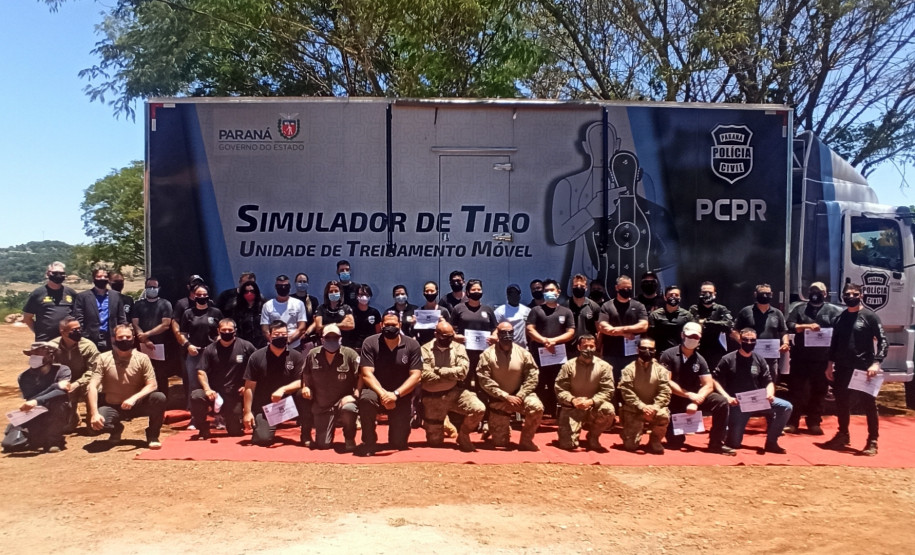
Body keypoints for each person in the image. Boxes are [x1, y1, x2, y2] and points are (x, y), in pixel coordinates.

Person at [824, 283, 888, 456]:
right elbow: (834, 343)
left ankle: (872, 440)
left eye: (854, 293)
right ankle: (843, 434)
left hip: (864, 369)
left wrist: (876, 363)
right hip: (843, 367)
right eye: (847, 294)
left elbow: (883, 341)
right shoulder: (840, 318)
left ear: (861, 295)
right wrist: (830, 364)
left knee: (868, 405)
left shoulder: (869, 316)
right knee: (842, 403)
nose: (850, 296)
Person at [659, 322, 734, 455]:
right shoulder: (668, 355)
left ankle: (716, 443)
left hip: (695, 397)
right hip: (674, 399)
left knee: (721, 402)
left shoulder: (700, 359)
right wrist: (688, 395)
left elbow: (708, 384)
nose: (693, 339)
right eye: (690, 336)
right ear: (682, 335)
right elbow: (667, 381)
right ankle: (673, 436)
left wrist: (695, 401)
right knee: (674, 444)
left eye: (696, 337)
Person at [88, 325, 167, 449]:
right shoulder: (103, 358)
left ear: (133, 338)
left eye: (128, 337)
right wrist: (94, 414)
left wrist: (133, 398)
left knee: (159, 397)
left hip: (137, 404)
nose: (124, 339)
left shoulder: (142, 358)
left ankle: (152, 435)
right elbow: (92, 386)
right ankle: (116, 429)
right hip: (113, 406)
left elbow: (152, 385)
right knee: (98, 425)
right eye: (120, 337)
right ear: (114, 339)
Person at [715, 328, 793, 454]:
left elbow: (768, 381)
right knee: (734, 444)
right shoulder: (728, 359)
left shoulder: (759, 359)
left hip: (758, 400)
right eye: (746, 340)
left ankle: (772, 442)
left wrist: (770, 394)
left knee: (786, 406)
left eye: (752, 340)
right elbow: (715, 380)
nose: (749, 343)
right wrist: (727, 397)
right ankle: (729, 433)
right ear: (740, 340)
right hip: (738, 404)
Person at [356, 312, 423, 455]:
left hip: (401, 394)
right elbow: (366, 374)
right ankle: (369, 441)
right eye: (387, 325)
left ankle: (397, 435)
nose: (390, 328)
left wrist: (396, 395)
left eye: (394, 325)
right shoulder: (370, 342)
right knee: (366, 398)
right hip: (376, 391)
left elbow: (416, 376)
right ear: (381, 326)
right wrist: (384, 394)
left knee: (398, 443)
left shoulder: (412, 345)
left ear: (400, 325)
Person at [784, 282, 842, 435]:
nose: (815, 293)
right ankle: (792, 422)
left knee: (819, 392)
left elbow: (840, 330)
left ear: (826, 293)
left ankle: (814, 422)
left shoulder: (833, 311)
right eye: (812, 290)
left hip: (822, 359)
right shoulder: (800, 309)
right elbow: (789, 324)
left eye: (819, 291)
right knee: (797, 391)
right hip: (800, 358)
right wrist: (806, 327)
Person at [476, 322, 543, 451]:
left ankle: (526, 440)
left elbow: (532, 377)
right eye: (503, 333)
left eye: (510, 332)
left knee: (537, 407)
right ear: (497, 334)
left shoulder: (524, 353)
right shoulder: (487, 354)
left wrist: (520, 395)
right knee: (500, 444)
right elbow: (484, 380)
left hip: (520, 396)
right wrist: (505, 396)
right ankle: (491, 427)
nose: (507, 336)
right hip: (499, 399)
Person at [420, 321, 485, 452]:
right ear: (436, 334)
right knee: (435, 442)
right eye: (444, 337)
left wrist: (438, 370)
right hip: (433, 398)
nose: (448, 340)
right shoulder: (425, 349)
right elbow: (424, 375)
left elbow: (462, 373)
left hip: (454, 392)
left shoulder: (458, 348)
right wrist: (450, 373)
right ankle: (441, 422)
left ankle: (463, 435)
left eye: (451, 336)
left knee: (479, 409)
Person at [243, 321, 309, 446]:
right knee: (262, 440)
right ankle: (267, 425)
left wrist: (283, 389)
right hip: (267, 406)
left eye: (284, 334)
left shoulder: (296, 356)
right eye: (277, 334)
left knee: (304, 394)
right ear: (269, 336)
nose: (280, 337)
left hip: (289, 404)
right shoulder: (256, 357)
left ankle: (305, 434)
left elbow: (302, 381)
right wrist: (247, 412)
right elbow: (249, 387)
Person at [190, 318, 256, 438]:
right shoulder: (210, 349)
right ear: (218, 331)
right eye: (223, 330)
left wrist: (246, 386)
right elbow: (201, 371)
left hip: (236, 393)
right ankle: (203, 427)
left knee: (235, 432)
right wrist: (207, 389)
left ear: (235, 331)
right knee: (196, 396)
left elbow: (257, 367)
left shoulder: (246, 346)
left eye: (229, 330)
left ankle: (232, 419)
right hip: (215, 392)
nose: (227, 332)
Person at [2, 342, 70, 453]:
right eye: (32, 354)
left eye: (38, 353)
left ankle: (54, 441)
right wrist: (55, 386)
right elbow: (31, 399)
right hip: (35, 412)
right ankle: (40, 438)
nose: (34, 357)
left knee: (59, 401)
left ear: (50, 355)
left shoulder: (62, 370)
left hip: (56, 410)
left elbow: (62, 391)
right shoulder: (24, 377)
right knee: (10, 444)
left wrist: (37, 400)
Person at [302, 324, 361, 451]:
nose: (332, 340)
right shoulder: (313, 354)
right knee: (323, 445)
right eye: (328, 337)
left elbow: (362, 377)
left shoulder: (350, 354)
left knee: (349, 409)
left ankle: (349, 438)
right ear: (322, 339)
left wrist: (355, 395)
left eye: (335, 337)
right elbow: (306, 375)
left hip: (343, 403)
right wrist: (306, 387)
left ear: (340, 338)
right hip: (323, 406)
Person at [554, 335, 615, 451]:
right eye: (585, 346)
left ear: (595, 347)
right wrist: (573, 400)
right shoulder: (568, 366)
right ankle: (571, 433)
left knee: (608, 410)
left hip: (593, 407)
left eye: (591, 346)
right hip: (572, 407)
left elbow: (608, 390)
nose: (588, 349)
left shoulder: (605, 367)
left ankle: (593, 436)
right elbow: (560, 389)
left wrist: (592, 401)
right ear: (578, 347)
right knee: (568, 445)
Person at [526, 279, 576, 417]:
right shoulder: (536, 310)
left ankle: (556, 414)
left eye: (552, 290)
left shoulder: (566, 312)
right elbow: (530, 329)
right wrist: (544, 341)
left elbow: (571, 332)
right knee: (539, 383)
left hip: (558, 355)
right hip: (539, 354)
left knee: (558, 383)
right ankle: (538, 413)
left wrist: (554, 341)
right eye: (546, 291)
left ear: (558, 292)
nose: (549, 293)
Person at [617, 337, 671, 454]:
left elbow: (665, 392)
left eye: (650, 349)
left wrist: (655, 407)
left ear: (655, 351)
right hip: (634, 410)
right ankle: (628, 434)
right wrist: (641, 406)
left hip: (654, 409)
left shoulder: (661, 371)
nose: (647, 351)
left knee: (663, 415)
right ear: (637, 350)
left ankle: (655, 441)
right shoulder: (628, 370)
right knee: (631, 446)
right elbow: (626, 392)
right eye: (643, 348)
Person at [49, 316, 99, 431]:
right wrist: (61, 384)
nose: (78, 332)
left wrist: (77, 383)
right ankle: (71, 416)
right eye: (74, 330)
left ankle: (92, 419)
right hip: (64, 382)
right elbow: (48, 370)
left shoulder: (88, 345)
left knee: (93, 388)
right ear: (63, 331)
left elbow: (94, 370)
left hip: (84, 380)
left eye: (79, 328)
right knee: (66, 426)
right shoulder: (52, 347)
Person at [179, 285, 223, 409]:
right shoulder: (188, 313)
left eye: (204, 295)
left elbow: (222, 331)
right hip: (194, 354)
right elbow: (182, 334)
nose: (202, 297)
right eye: (199, 295)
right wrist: (188, 345)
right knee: (193, 384)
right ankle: (194, 414)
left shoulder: (216, 312)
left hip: (212, 354)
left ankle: (217, 414)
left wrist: (216, 344)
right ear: (194, 296)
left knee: (215, 383)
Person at [598, 275, 649, 382]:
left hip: (633, 355)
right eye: (624, 288)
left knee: (632, 385)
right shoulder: (607, 306)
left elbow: (644, 326)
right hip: (611, 354)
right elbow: (603, 327)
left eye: (629, 288)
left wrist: (621, 330)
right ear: (617, 288)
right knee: (611, 385)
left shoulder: (639, 306)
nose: (627, 290)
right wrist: (623, 334)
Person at [733, 283, 789, 378]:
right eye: (762, 293)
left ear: (771, 294)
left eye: (767, 293)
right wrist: (742, 342)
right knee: (750, 380)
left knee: (770, 380)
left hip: (771, 357)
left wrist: (786, 343)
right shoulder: (746, 311)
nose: (764, 296)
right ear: (755, 294)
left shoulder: (777, 313)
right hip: (749, 355)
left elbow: (783, 331)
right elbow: (734, 331)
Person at [131, 277, 173, 397]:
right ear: (145, 288)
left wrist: (147, 334)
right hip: (142, 344)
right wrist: (144, 339)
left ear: (159, 288)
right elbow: (135, 324)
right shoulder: (138, 305)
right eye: (150, 287)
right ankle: (143, 399)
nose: (152, 289)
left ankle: (163, 398)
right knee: (143, 373)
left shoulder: (165, 304)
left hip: (160, 346)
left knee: (161, 374)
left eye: (155, 287)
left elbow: (165, 325)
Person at [451, 279, 498, 383]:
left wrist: (494, 336)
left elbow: (495, 328)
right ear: (467, 292)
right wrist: (455, 336)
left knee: (482, 380)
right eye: (473, 290)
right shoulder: (458, 308)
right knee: (464, 380)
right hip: (464, 352)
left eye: (479, 289)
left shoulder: (488, 309)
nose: (476, 292)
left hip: (483, 352)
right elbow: (451, 329)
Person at [73, 268, 127, 352]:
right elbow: (78, 318)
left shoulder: (116, 296)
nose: (102, 279)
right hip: (90, 338)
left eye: (105, 276)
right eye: (99, 276)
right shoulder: (82, 297)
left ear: (108, 279)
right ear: (93, 278)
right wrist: (83, 335)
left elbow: (121, 318)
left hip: (111, 338)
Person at [22, 261, 77, 342]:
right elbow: (27, 318)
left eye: (62, 273)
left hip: (67, 341)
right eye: (55, 273)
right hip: (44, 341)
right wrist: (38, 332)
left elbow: (77, 315)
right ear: (48, 274)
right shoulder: (38, 293)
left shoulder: (71, 293)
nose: (59, 275)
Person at [687, 281, 734, 372]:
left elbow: (729, 324)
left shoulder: (721, 309)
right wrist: (717, 324)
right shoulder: (694, 309)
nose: (707, 295)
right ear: (699, 293)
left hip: (716, 349)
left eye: (710, 293)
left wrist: (706, 322)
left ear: (715, 294)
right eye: (704, 293)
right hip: (698, 349)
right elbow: (691, 324)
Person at [260, 275, 308, 350]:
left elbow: (301, 327)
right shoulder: (267, 305)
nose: (283, 288)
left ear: (289, 287)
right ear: (276, 287)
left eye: (285, 286)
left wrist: (288, 340)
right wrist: (274, 342)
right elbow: (265, 329)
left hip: (294, 346)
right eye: (280, 286)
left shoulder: (299, 304)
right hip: (274, 346)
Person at [564, 273, 602, 358]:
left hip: (589, 348)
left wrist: (598, 347)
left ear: (586, 288)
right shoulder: (565, 306)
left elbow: (599, 331)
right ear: (572, 287)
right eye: (576, 285)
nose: (578, 287)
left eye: (582, 286)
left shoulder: (594, 306)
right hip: (570, 350)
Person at [647, 285, 694, 353]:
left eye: (676, 295)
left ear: (680, 298)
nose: (673, 297)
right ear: (665, 298)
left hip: (680, 354)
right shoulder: (655, 315)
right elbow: (650, 337)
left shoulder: (687, 315)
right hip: (660, 354)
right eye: (671, 295)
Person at [231, 280, 267, 349]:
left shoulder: (263, 306)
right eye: (246, 291)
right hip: (245, 345)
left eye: (252, 291)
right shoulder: (237, 308)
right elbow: (236, 326)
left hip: (262, 344)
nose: (249, 293)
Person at [493, 283, 531, 348]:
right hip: (504, 348)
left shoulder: (527, 310)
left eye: (516, 293)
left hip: (523, 348)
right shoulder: (499, 311)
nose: (514, 295)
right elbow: (494, 329)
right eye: (511, 293)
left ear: (519, 295)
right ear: (507, 295)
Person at [414, 281, 451, 346]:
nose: (429, 293)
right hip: (423, 346)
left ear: (437, 292)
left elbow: (450, 331)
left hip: (440, 347)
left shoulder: (443, 311)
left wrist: (444, 324)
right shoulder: (419, 311)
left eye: (432, 291)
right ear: (423, 293)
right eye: (427, 291)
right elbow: (413, 333)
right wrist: (413, 325)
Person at [345, 284, 381, 350]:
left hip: (370, 347)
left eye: (366, 295)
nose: (364, 297)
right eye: (361, 294)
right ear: (356, 296)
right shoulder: (350, 312)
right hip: (354, 347)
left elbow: (378, 331)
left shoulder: (374, 312)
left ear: (370, 296)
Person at [291, 273, 320, 349]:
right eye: (300, 281)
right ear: (295, 283)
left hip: (308, 338)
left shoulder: (313, 300)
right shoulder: (290, 299)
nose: (302, 283)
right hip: (292, 338)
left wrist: (306, 333)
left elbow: (316, 320)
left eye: (304, 281)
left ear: (308, 284)